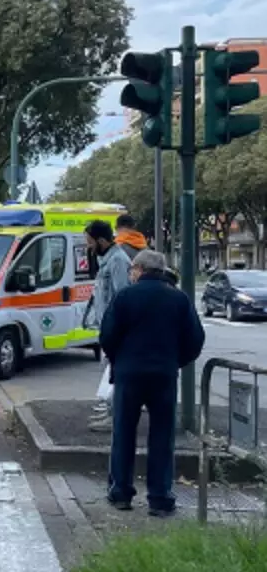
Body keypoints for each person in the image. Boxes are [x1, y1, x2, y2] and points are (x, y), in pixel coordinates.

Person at [99, 250, 205, 517]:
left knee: (123, 432)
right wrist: (174, 361)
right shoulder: (178, 299)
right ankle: (159, 497)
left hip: (129, 375)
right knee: (162, 435)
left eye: (133, 269)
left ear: (140, 269)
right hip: (163, 376)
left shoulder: (125, 296)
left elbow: (107, 335)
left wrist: (118, 360)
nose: (131, 273)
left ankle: (121, 493)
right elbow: (195, 340)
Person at [85, 220, 132, 432]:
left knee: (117, 371)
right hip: (108, 325)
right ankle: (111, 412)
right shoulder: (107, 259)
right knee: (111, 371)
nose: (88, 246)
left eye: (90, 241)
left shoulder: (118, 261)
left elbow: (122, 296)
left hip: (116, 328)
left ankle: (115, 417)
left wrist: (117, 328)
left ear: (101, 241)